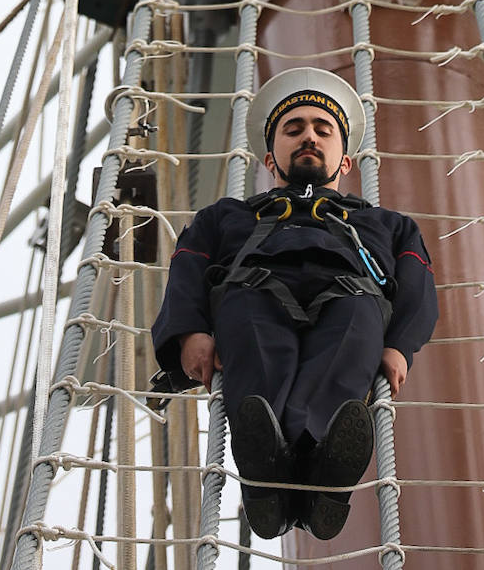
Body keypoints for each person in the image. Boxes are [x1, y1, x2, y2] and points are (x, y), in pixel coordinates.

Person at [151, 67, 438, 541]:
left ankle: (325, 476)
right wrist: (190, 333)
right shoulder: (226, 216)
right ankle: (265, 475)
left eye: (323, 130)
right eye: (295, 129)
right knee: (255, 346)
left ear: (345, 162)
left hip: (351, 300)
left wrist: (400, 346)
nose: (309, 137)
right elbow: (186, 268)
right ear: (270, 157)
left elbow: (417, 287)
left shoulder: (390, 225)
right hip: (252, 295)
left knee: (354, 330)